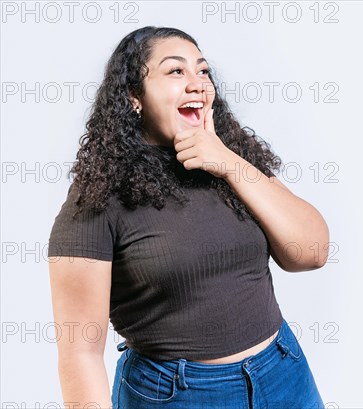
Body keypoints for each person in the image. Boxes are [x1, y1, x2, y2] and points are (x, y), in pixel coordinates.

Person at [47, 26, 329, 408]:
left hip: (283, 375)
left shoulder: (232, 159)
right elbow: (80, 354)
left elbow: (311, 252)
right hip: (178, 395)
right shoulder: (98, 197)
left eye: (203, 71)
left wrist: (228, 162)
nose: (197, 83)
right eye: (176, 71)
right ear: (134, 97)